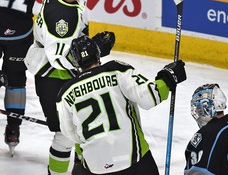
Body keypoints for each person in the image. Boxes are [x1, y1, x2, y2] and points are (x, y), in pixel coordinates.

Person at [24, 0, 115, 174]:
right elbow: (60, 59)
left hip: (61, 72)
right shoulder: (62, 20)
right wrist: (96, 49)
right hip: (53, 77)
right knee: (65, 135)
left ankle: (81, 169)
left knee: (82, 129)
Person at [56, 35, 187, 175]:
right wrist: (168, 77)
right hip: (133, 160)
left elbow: (70, 133)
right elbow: (149, 96)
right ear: (97, 53)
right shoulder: (117, 70)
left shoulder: (65, 94)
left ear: (76, 62)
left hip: (96, 166)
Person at [0, 0, 55, 153]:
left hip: (19, 33)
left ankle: (14, 126)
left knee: (15, 78)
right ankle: (13, 127)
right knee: (15, 80)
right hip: (20, 33)